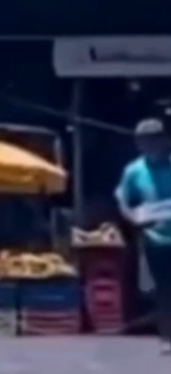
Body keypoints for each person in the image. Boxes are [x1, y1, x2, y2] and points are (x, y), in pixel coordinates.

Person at [115, 118, 171, 351]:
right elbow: (122, 198)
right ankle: (168, 337)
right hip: (154, 239)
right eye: (144, 141)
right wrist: (132, 217)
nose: (150, 145)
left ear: (165, 141)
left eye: (155, 140)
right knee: (163, 290)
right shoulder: (133, 170)